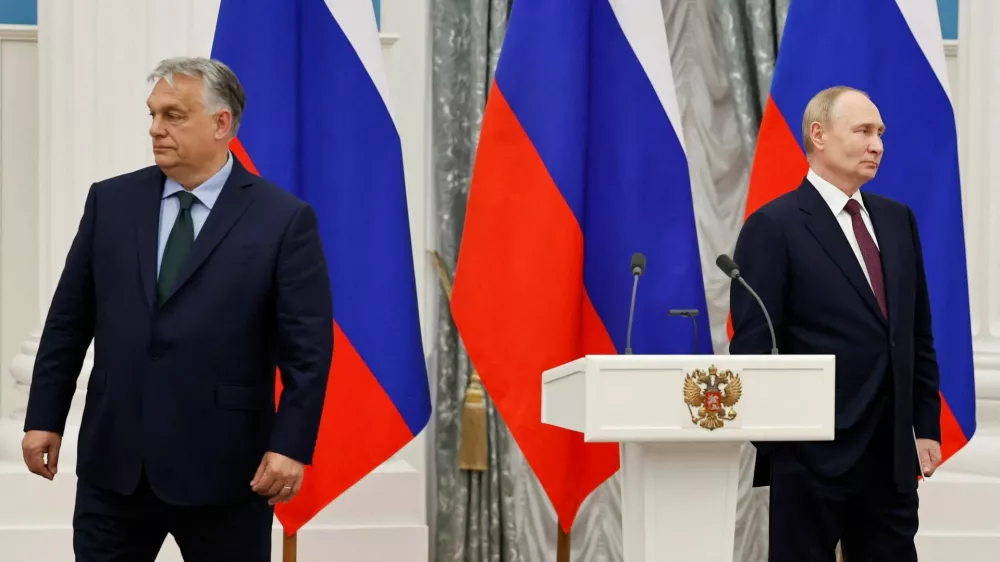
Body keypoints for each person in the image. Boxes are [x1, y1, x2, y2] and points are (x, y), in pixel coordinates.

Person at [19, 57, 334, 561]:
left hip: (229, 472)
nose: (155, 129)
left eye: (173, 115)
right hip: (114, 467)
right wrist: (43, 417)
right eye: (152, 115)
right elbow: (68, 322)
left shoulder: (283, 220)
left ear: (221, 123)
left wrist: (291, 445)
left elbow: (308, 352)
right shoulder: (111, 202)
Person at [729, 86, 942, 561]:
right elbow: (753, 348)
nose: (877, 144)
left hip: (891, 458)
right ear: (818, 135)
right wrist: (784, 446)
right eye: (864, 131)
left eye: (881, 133)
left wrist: (925, 424)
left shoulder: (897, 220)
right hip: (811, 458)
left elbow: (916, 332)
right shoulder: (774, 226)